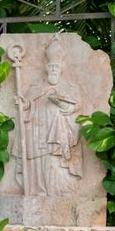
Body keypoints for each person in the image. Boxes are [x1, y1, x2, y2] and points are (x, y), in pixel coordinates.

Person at [15, 36, 83, 196]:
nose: (53, 69)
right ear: (46, 67)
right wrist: (23, 104)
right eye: (51, 66)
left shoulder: (69, 86)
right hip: (38, 131)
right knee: (40, 163)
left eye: (56, 67)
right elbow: (29, 103)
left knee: (56, 163)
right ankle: (39, 191)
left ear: (61, 68)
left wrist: (64, 104)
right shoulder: (37, 86)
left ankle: (60, 192)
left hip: (58, 133)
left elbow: (77, 105)